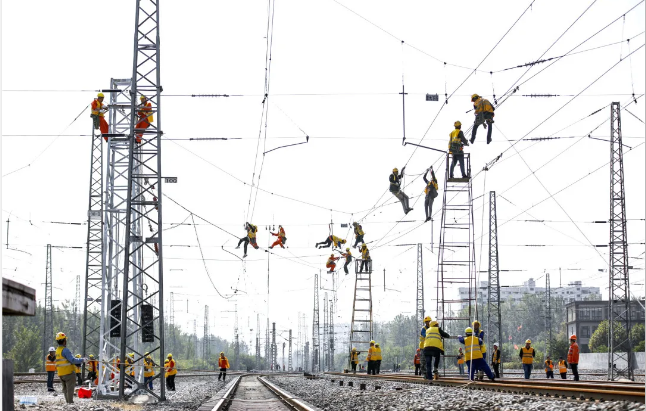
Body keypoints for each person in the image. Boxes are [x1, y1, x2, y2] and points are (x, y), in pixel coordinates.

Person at [54, 332, 85, 404]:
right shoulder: (65, 350)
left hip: (61, 373)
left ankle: (68, 402)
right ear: (64, 340)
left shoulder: (57, 351)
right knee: (70, 389)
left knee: (65, 389)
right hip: (68, 373)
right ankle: (70, 403)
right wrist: (82, 360)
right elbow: (73, 360)